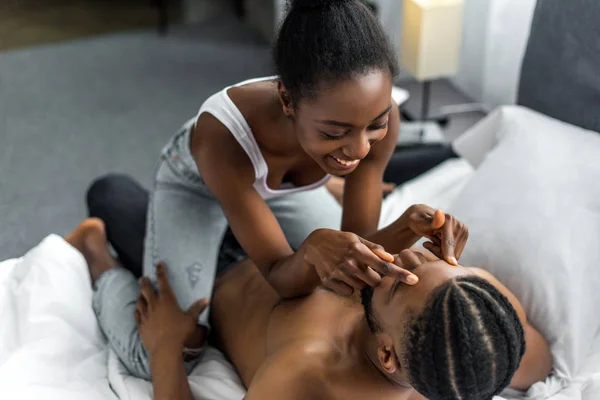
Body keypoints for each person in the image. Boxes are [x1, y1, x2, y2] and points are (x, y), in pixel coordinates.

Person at [88, 0, 469, 380]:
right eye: (335, 133)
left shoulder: (374, 128)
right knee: (174, 350)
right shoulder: (221, 136)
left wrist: (406, 226)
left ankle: (308, 189)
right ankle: (96, 254)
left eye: (376, 124)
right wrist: (311, 251)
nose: (360, 150)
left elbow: (358, 246)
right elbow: (278, 274)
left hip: (284, 187)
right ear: (287, 99)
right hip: (200, 185)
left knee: (332, 269)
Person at [80, 194, 553, 400]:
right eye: (445, 266)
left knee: (110, 196)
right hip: (286, 251)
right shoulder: (486, 337)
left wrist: (166, 346)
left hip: (216, 283)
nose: (410, 258)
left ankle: (93, 250)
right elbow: (541, 359)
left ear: (387, 353)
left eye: (399, 281)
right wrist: (414, 238)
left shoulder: (308, 371)